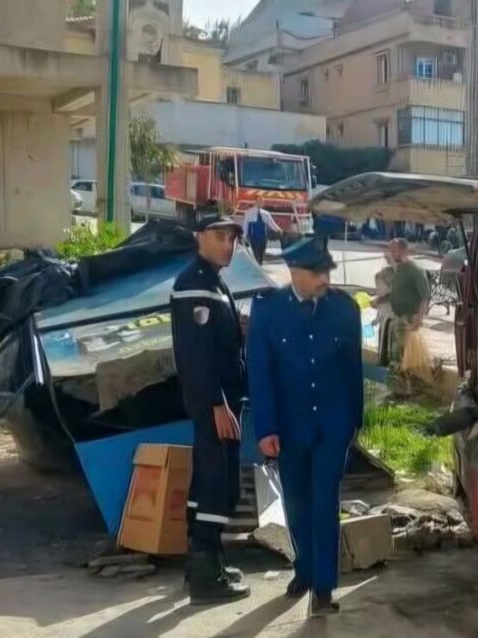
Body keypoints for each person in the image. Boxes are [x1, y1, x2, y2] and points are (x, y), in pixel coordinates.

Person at [247, 230, 364, 617]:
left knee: (325, 505)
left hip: (332, 427)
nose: (324, 280)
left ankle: (325, 589)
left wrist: (353, 424)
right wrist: (265, 429)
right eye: (316, 273)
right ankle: (304, 569)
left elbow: (353, 372)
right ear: (294, 271)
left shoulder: (345, 310)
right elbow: (261, 375)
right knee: (296, 506)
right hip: (289, 428)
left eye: (326, 271)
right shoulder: (268, 311)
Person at [170, 213, 250, 605]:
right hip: (216, 405)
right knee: (220, 486)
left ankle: (205, 564)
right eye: (219, 236)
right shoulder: (196, 285)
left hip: (221, 402)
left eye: (232, 237)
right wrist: (217, 403)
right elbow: (196, 355)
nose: (228, 244)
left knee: (208, 482)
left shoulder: (212, 281)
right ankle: (207, 580)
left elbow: (217, 342)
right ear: (199, 237)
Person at [376, 238, 430, 364]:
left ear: (404, 251)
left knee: (407, 357)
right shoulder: (399, 270)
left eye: (394, 251)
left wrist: (419, 317)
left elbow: (426, 296)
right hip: (398, 318)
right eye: (391, 251)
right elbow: (396, 293)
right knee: (397, 355)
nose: (391, 254)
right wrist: (380, 300)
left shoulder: (415, 271)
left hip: (409, 319)